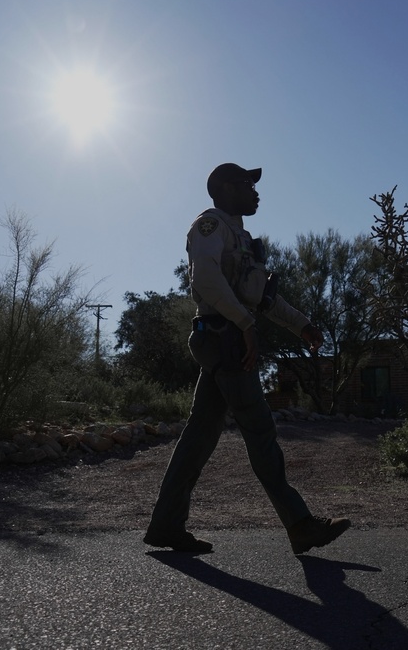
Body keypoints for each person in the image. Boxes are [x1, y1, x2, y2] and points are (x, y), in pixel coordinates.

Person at [143, 162, 350, 555]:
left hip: (226, 338)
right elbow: (204, 278)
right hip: (223, 338)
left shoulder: (241, 237)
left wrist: (302, 325)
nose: (256, 191)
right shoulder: (210, 226)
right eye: (246, 184)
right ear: (224, 188)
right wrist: (245, 325)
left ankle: (166, 525)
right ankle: (300, 524)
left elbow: (261, 299)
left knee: (198, 438)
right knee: (260, 430)